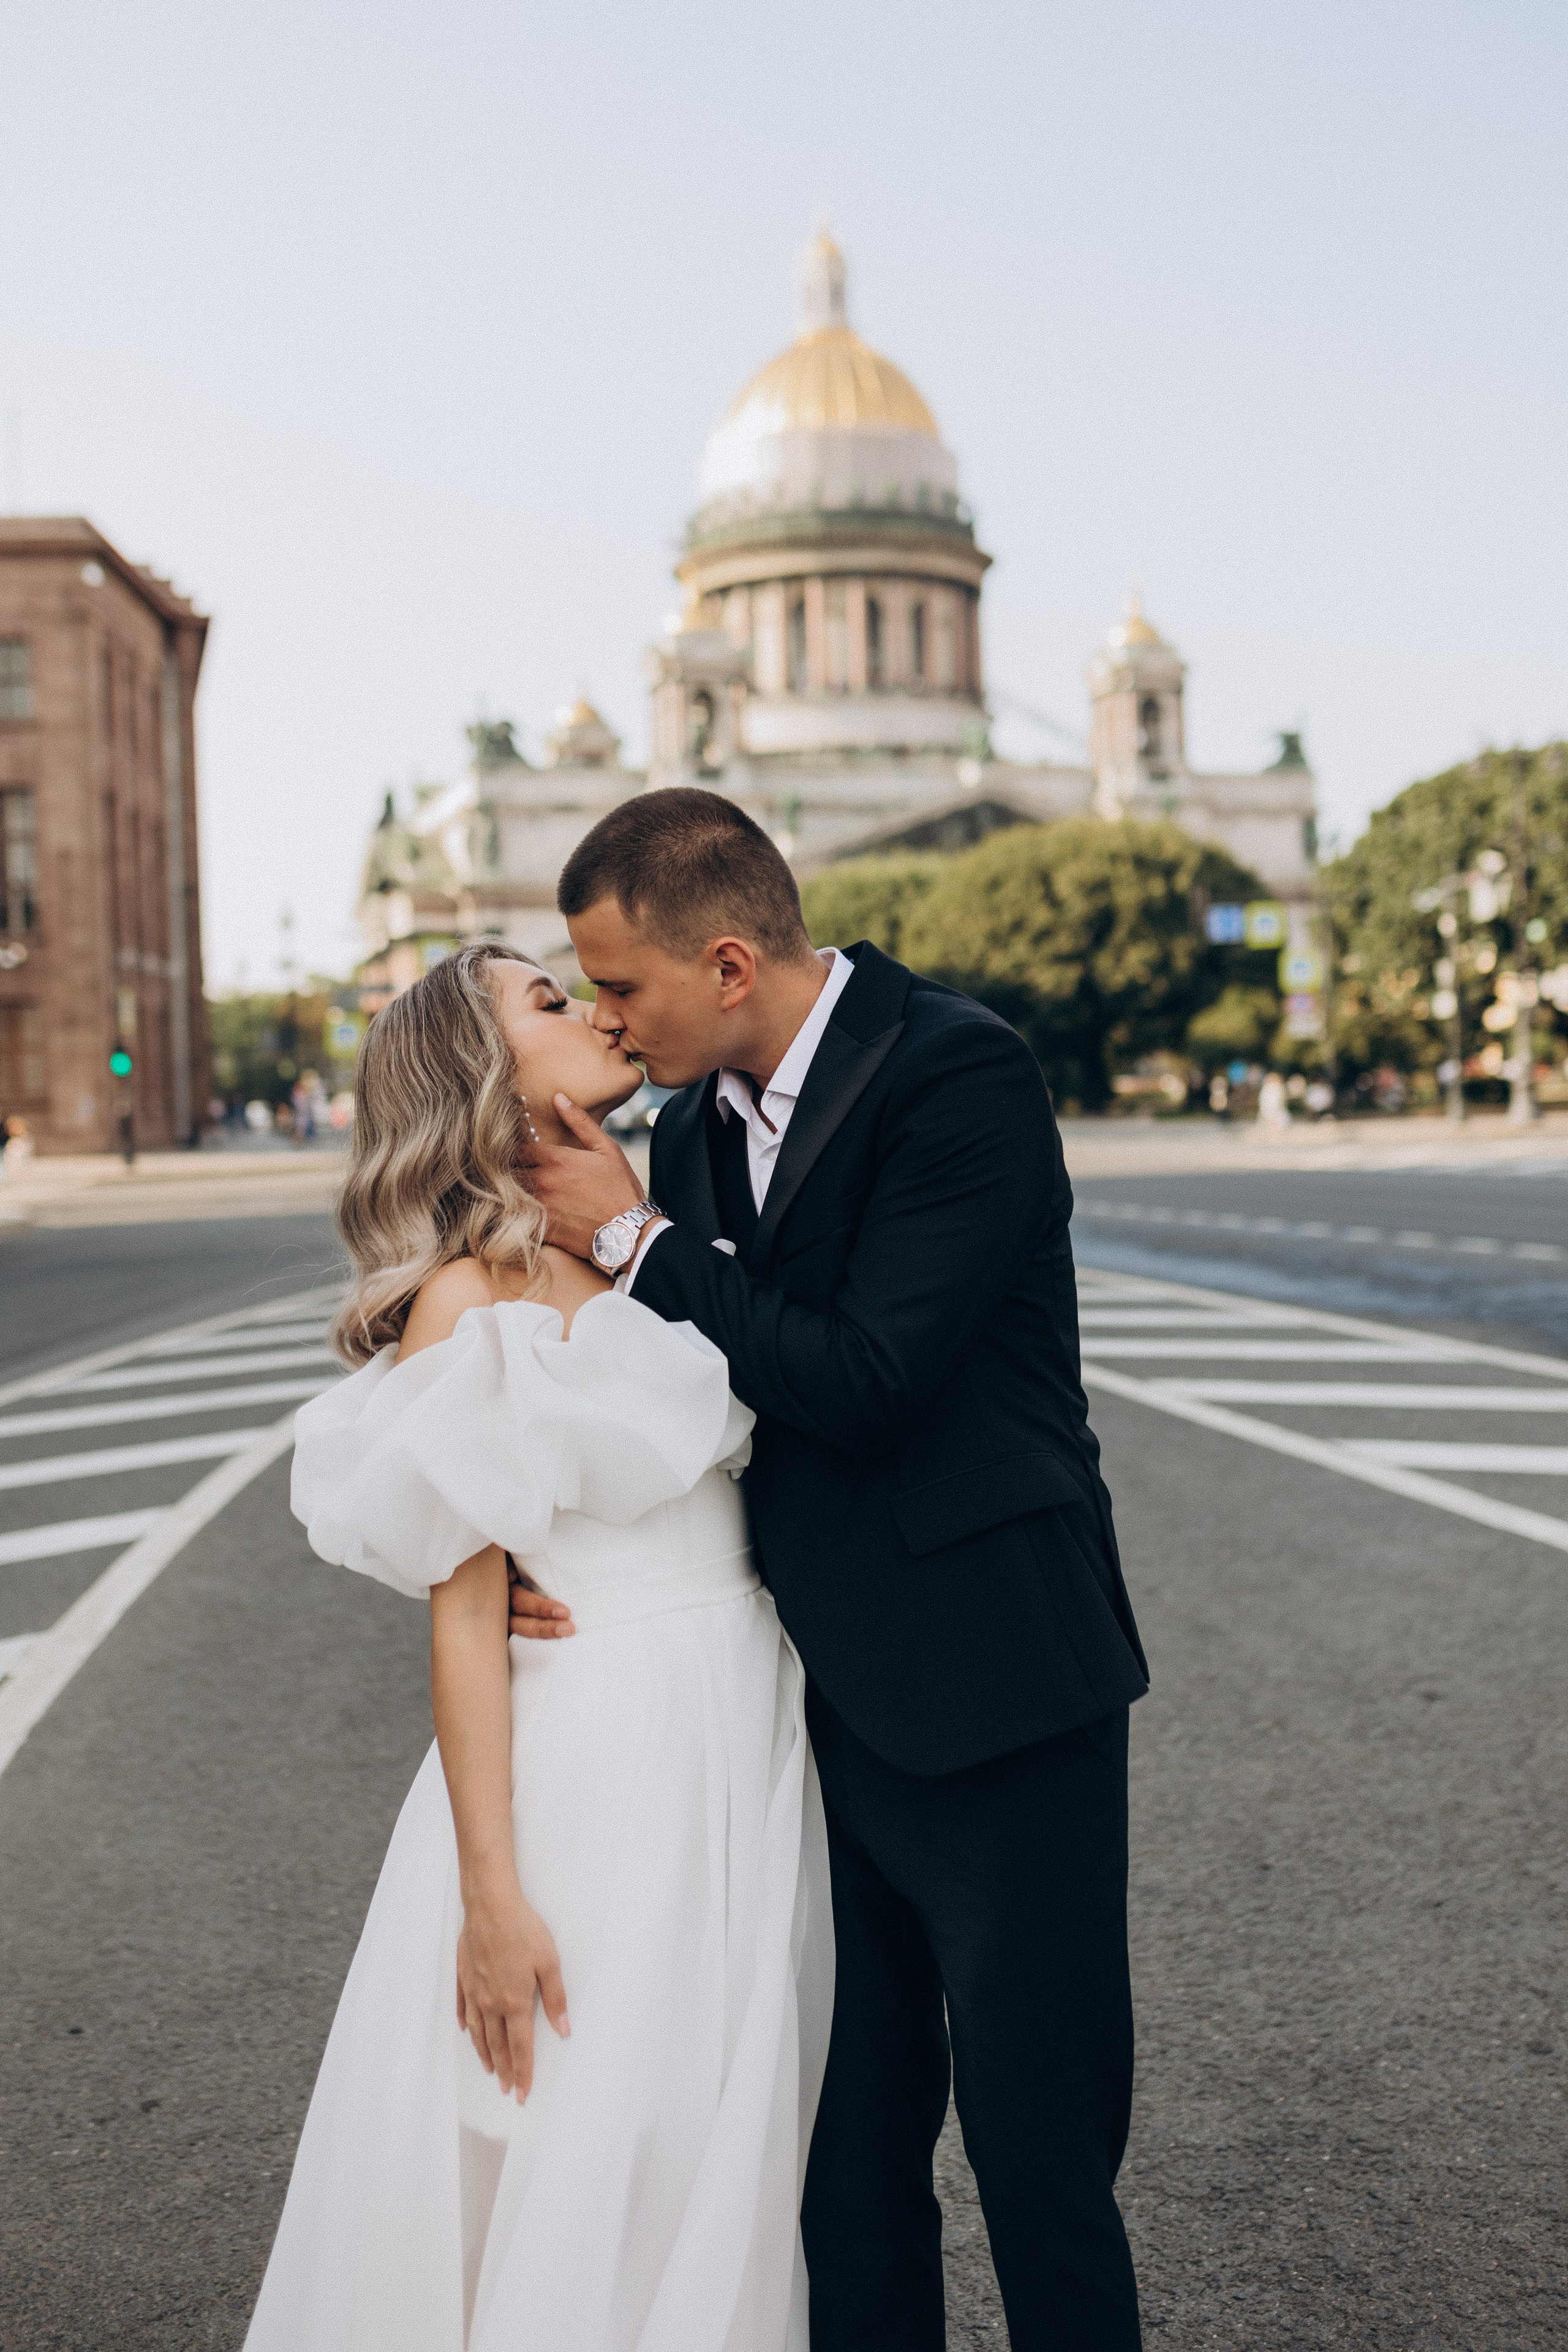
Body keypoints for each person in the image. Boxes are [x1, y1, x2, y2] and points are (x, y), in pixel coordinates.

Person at [517, 786, 1148, 2352]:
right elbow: (695, 1392)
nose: (607, 1017)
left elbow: (868, 1379)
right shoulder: (684, 1132)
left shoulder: (956, 1071)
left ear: (727, 964)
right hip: (798, 1713)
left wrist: (637, 1244)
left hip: (996, 1686)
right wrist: (538, 1551)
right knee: (842, 2165)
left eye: (621, 985)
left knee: (1038, 2157)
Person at [245, 942, 832, 2352]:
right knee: (597, 2133)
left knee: (722, 2139)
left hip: (743, 1725)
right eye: (550, 1001)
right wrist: (490, 1901)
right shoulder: (470, 1296)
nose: (597, 1011)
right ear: (487, 1076)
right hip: (602, 1753)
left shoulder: (649, 1234)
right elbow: (463, 1615)